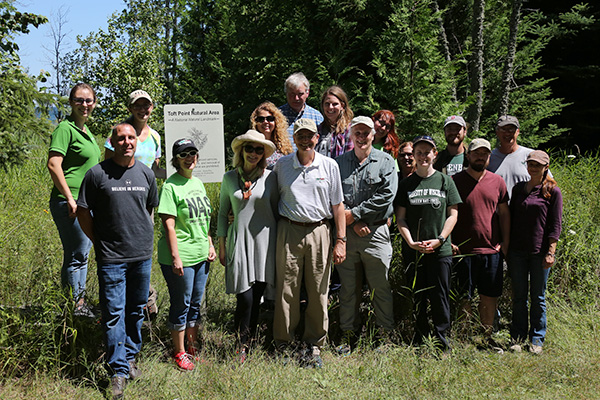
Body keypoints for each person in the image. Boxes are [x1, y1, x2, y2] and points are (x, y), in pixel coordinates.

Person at [76, 123, 158, 399]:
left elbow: (149, 209)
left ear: (137, 141)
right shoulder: (97, 174)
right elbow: (83, 212)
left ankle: (131, 357)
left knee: (136, 310)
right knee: (113, 314)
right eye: (120, 138)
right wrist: (98, 241)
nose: (126, 142)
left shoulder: (146, 174)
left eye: (131, 137)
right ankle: (118, 371)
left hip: (141, 256)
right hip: (111, 257)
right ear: (111, 142)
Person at [273, 118, 346, 368]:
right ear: (294, 138)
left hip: (320, 231)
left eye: (310, 136)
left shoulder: (329, 166)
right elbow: (271, 200)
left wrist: (341, 240)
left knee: (318, 290)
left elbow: (338, 206)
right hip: (288, 230)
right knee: (286, 291)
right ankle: (283, 344)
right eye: (300, 135)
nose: (305, 140)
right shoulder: (282, 166)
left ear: (317, 138)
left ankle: (314, 344)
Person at [335, 116, 398, 354]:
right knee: (348, 288)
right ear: (351, 135)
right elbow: (333, 196)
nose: (361, 138)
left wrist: (358, 216)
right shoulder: (339, 163)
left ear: (374, 135)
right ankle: (348, 334)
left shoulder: (386, 161)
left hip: (376, 233)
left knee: (380, 286)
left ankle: (383, 334)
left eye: (366, 133)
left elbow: (387, 195)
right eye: (357, 133)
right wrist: (352, 223)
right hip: (347, 235)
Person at [394, 135, 461, 351]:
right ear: (413, 156)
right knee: (419, 295)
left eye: (427, 152)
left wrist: (441, 239)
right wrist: (411, 242)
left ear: (435, 154)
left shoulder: (445, 181)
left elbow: (453, 215)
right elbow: (400, 218)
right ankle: (421, 338)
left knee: (440, 296)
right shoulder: (406, 184)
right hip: (414, 251)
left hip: (440, 251)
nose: (423, 156)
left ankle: (442, 340)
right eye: (419, 152)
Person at [218, 130, 278, 363]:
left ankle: (249, 343)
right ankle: (240, 343)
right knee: (244, 297)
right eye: (249, 148)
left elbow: (276, 210)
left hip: (264, 242)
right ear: (241, 151)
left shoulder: (271, 178)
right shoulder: (229, 178)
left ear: (263, 154)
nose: (253, 153)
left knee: (258, 295)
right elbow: (223, 214)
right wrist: (222, 245)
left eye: (258, 149)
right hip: (239, 241)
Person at [157, 138, 216, 371]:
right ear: (176, 160)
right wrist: (175, 258)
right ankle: (179, 352)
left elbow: (204, 220)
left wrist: (210, 243)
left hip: (201, 255)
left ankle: (192, 348)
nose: (189, 158)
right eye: (183, 154)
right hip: (181, 256)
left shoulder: (198, 183)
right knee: (181, 304)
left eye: (192, 153)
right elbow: (169, 226)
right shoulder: (170, 187)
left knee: (195, 304)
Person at [47, 83, 101, 317]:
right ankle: (73, 306)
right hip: (70, 202)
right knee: (76, 255)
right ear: (71, 103)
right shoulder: (65, 129)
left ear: (94, 103)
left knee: (83, 254)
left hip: (85, 204)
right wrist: (70, 198)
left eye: (89, 100)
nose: (84, 105)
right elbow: (53, 164)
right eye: (79, 100)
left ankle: (78, 302)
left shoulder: (86, 132)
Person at [451, 139, 510, 338]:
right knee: (463, 297)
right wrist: (449, 240)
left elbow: (504, 214)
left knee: (489, 296)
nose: (480, 157)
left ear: (489, 157)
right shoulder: (455, 181)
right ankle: (463, 336)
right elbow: (447, 213)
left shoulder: (497, 181)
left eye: (484, 154)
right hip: (462, 250)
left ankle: (486, 335)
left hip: (491, 250)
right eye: (476, 153)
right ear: (468, 155)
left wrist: (505, 242)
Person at [508, 150, 562, 355]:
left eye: (537, 165)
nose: (533, 168)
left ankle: (537, 339)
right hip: (517, 251)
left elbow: (555, 225)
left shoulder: (552, 191)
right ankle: (517, 338)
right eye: (530, 164)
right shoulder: (518, 189)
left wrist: (551, 252)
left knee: (538, 296)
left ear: (545, 167)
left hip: (540, 253)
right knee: (519, 296)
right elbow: (511, 218)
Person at [104, 89, 166, 179]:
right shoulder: (118, 133)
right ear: (130, 109)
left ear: (151, 107)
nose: (142, 109)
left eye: (146, 105)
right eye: (137, 106)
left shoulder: (155, 136)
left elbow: (155, 171)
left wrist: (182, 173)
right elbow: (107, 166)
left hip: (146, 190)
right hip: (122, 188)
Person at [487, 115, 533, 197]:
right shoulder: (489, 157)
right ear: (497, 132)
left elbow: (547, 182)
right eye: (503, 129)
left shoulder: (530, 155)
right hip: (497, 208)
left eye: (511, 129)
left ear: (517, 132)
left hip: (524, 208)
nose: (507, 133)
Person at [278, 72, 324, 149]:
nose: (296, 98)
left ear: (307, 93)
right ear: (286, 93)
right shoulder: (277, 115)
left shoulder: (317, 117)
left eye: (300, 94)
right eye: (292, 94)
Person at [249, 101, 293, 169]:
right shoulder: (250, 146)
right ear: (255, 123)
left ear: (276, 122)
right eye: (261, 119)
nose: (265, 122)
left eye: (270, 119)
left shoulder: (284, 146)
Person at [315, 85, 354, 158]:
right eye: (327, 104)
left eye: (335, 104)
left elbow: (349, 160)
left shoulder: (349, 130)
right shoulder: (318, 129)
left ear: (342, 106)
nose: (330, 107)